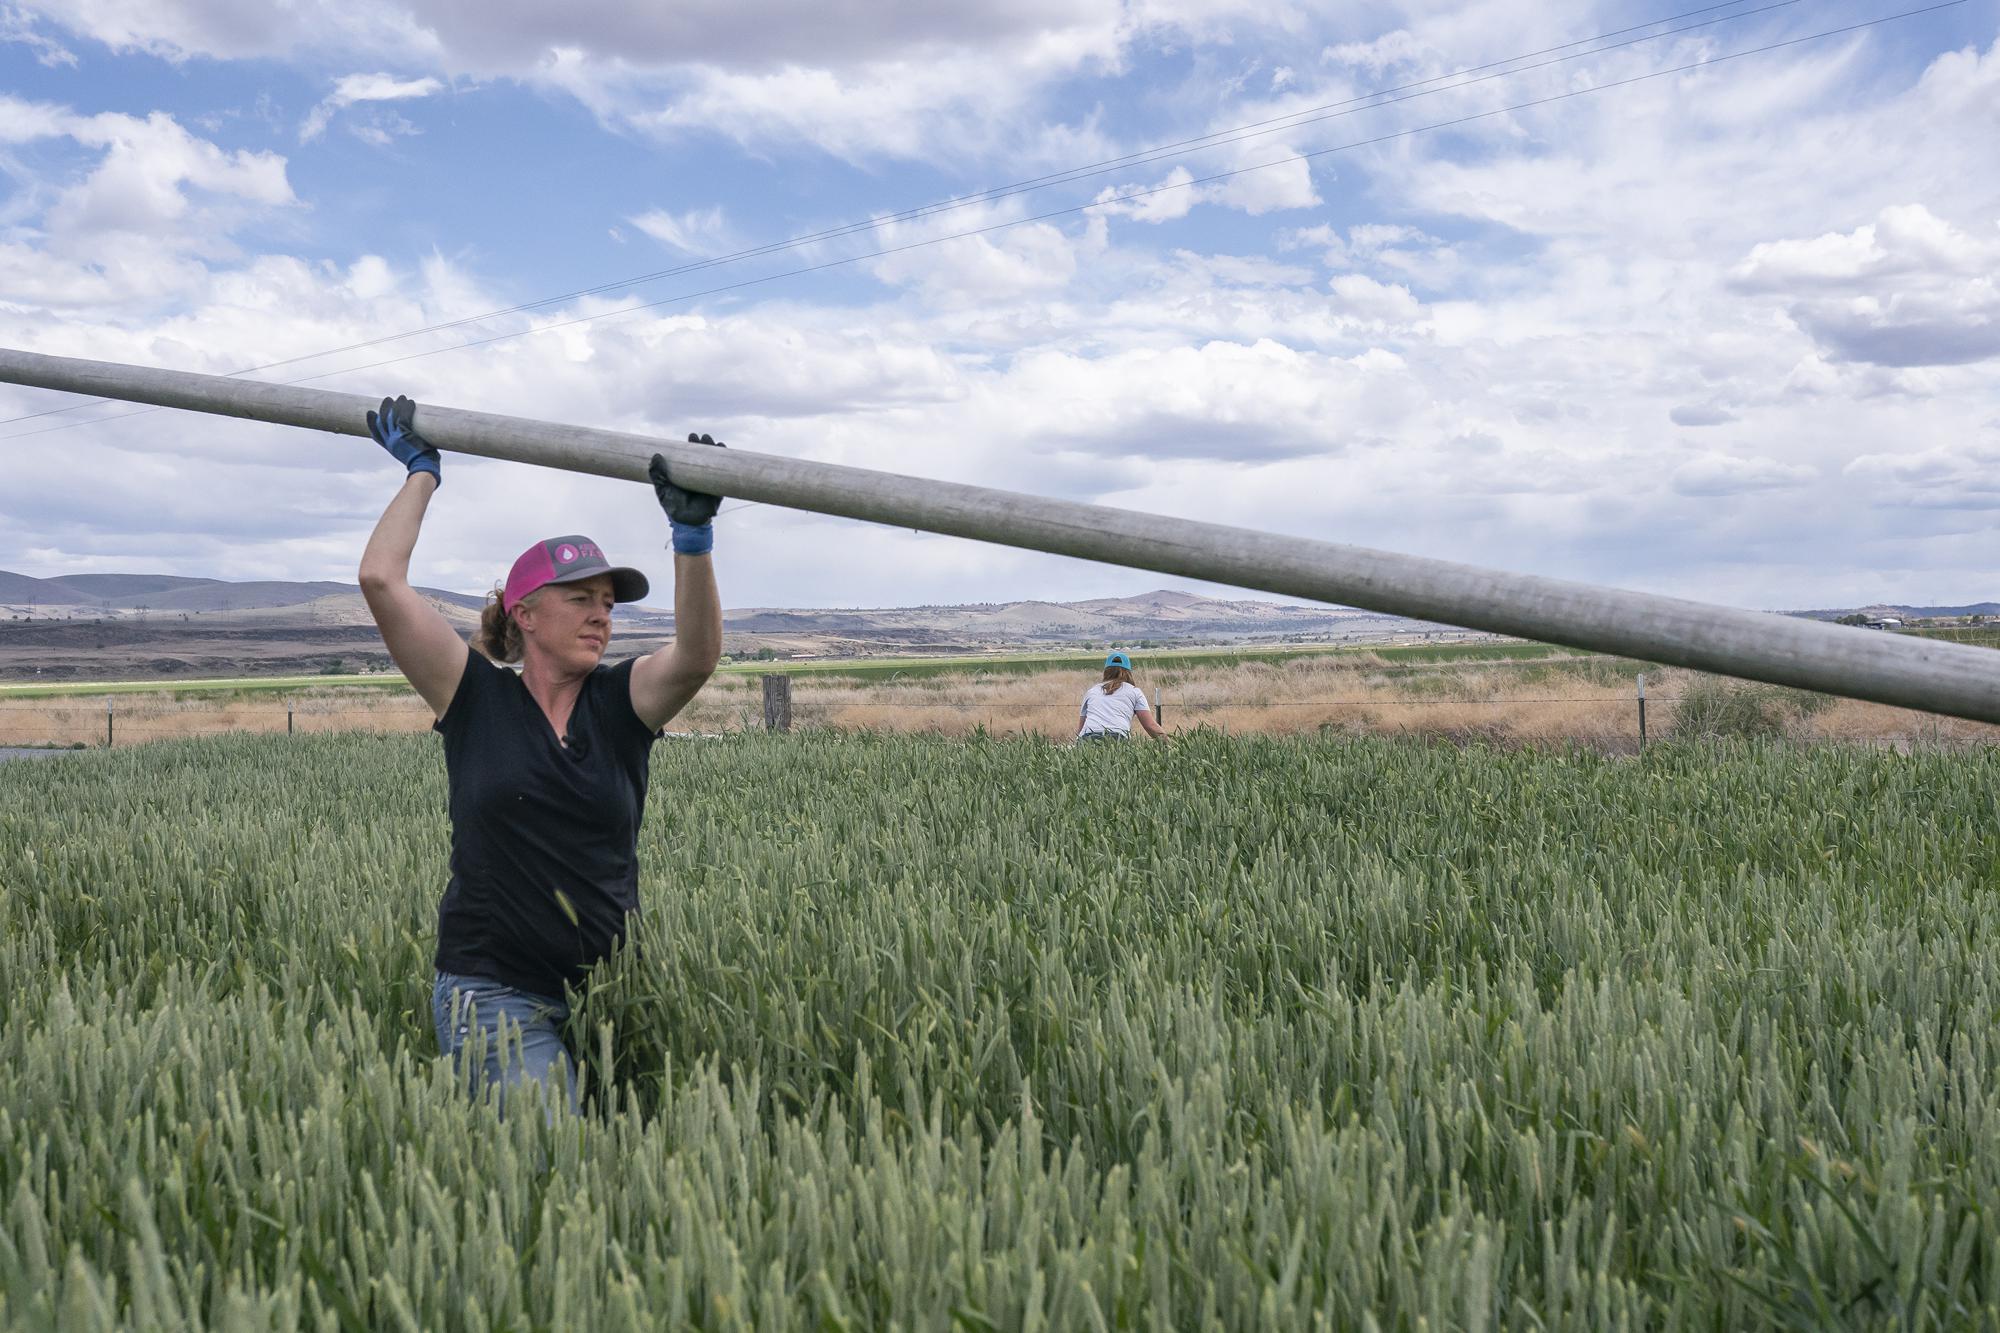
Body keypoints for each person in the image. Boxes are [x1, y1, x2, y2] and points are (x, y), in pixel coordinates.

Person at [354, 394, 725, 1112]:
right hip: (494, 991)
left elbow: (698, 657)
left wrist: (693, 538)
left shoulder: (620, 705)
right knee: (555, 1162)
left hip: (616, 992)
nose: (601, 614)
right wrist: (422, 474)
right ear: (525, 614)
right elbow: (381, 581)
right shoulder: (473, 699)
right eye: (581, 597)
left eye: (610, 604)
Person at [1077, 651, 1169, 742]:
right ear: (1128, 672)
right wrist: (1169, 744)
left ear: (1106, 671)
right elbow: (1150, 726)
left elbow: (1081, 728)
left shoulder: (1092, 691)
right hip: (1117, 739)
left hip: (1087, 739)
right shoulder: (1134, 691)